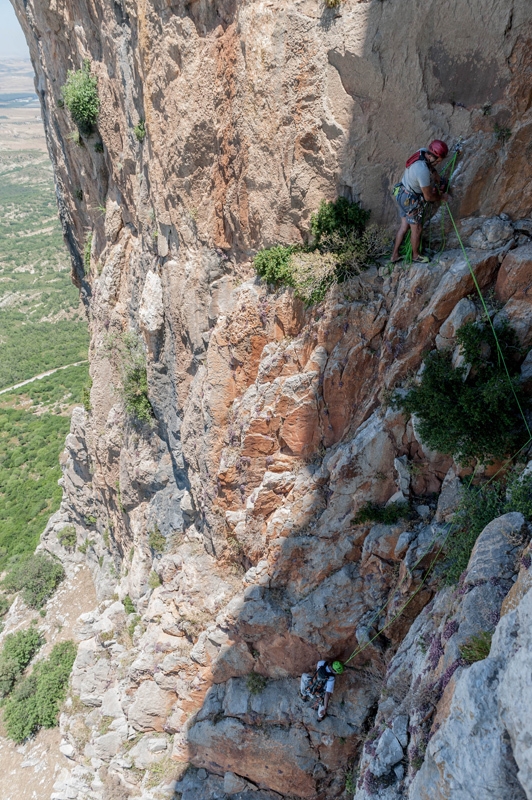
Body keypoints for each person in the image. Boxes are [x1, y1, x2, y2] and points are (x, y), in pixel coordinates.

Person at [390, 140, 450, 264]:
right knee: (416, 228)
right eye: (438, 160)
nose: (439, 163)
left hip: (402, 193)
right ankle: (415, 255)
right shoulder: (422, 171)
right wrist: (441, 196)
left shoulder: (422, 152)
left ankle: (394, 255)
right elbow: (428, 197)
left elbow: (430, 166)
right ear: (432, 156)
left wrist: (435, 174)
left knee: (404, 226)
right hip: (410, 200)